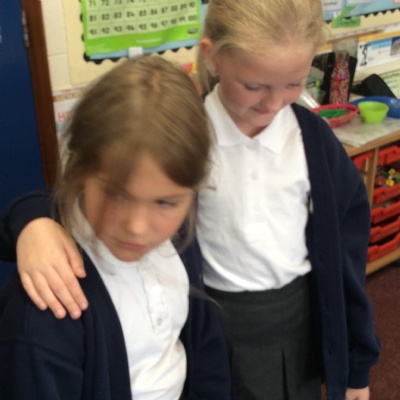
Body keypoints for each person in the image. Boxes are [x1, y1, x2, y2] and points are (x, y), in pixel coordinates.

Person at [1, 0, 381, 399]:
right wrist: (33, 223)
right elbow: (78, 197)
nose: (272, 103)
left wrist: (356, 360)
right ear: (214, 58)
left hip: (292, 324)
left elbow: (346, 255)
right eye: (254, 86)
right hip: (212, 320)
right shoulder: (182, 135)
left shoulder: (313, 140)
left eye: (293, 84)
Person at [0, 55, 231, 399]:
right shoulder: (47, 309)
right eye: (116, 195)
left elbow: (205, 351)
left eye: (165, 202)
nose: (137, 227)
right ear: (79, 168)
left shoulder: (178, 236)